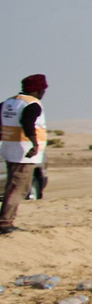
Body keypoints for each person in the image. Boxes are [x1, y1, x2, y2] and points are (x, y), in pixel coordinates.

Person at [0, 74, 45, 234]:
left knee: (12, 186)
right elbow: (27, 122)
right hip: (24, 152)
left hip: (9, 148)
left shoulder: (9, 102)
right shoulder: (33, 104)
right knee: (17, 188)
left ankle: (6, 219)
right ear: (40, 91)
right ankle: (5, 222)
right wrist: (34, 143)